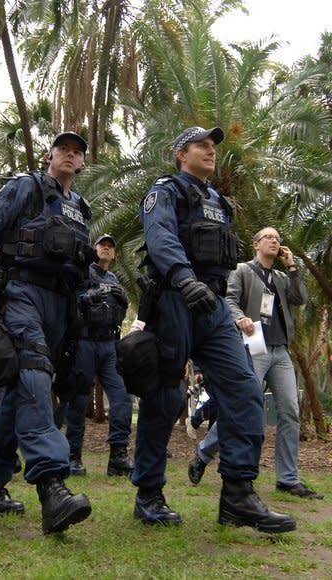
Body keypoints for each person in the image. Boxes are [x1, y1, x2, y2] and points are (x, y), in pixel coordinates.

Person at [132, 125, 295, 532]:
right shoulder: (165, 190)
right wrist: (185, 279)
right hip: (175, 299)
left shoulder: (219, 202)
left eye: (212, 146)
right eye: (201, 145)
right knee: (166, 397)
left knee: (243, 389)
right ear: (180, 153)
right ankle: (149, 493)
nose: (210, 151)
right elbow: (160, 237)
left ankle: (238, 495)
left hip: (214, 308)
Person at [0, 132, 94, 535]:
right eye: (63, 148)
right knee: (32, 371)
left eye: (77, 151)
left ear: (82, 164)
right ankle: (52, 486)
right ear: (50, 156)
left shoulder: (81, 208)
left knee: (18, 394)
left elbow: (81, 265)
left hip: (61, 308)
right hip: (20, 293)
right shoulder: (25, 187)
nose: (70, 154)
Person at [188, 227, 321, 498]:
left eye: (278, 239)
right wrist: (239, 318)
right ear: (255, 245)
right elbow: (229, 299)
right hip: (254, 347)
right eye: (269, 237)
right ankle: (203, 453)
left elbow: (301, 298)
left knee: (290, 411)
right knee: (242, 408)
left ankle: (287, 478)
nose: (275, 241)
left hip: (281, 351)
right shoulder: (243, 271)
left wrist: (293, 266)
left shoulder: (282, 277)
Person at [61, 234, 134, 477]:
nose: (106, 248)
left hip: (109, 344)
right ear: (94, 249)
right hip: (85, 342)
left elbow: (117, 314)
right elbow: (70, 300)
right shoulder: (82, 272)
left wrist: (122, 305)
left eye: (110, 246)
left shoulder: (114, 279)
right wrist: (85, 299)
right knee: (79, 399)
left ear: (114, 254)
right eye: (102, 244)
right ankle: (73, 455)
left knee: (122, 397)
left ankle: (118, 456)